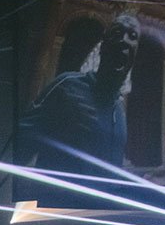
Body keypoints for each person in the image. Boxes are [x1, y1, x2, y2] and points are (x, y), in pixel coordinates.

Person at [16, 13, 140, 206]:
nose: (124, 41)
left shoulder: (120, 111)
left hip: (100, 223)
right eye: (117, 34)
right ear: (103, 47)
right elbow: (18, 149)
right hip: (56, 221)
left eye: (132, 36)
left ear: (135, 54)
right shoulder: (66, 86)